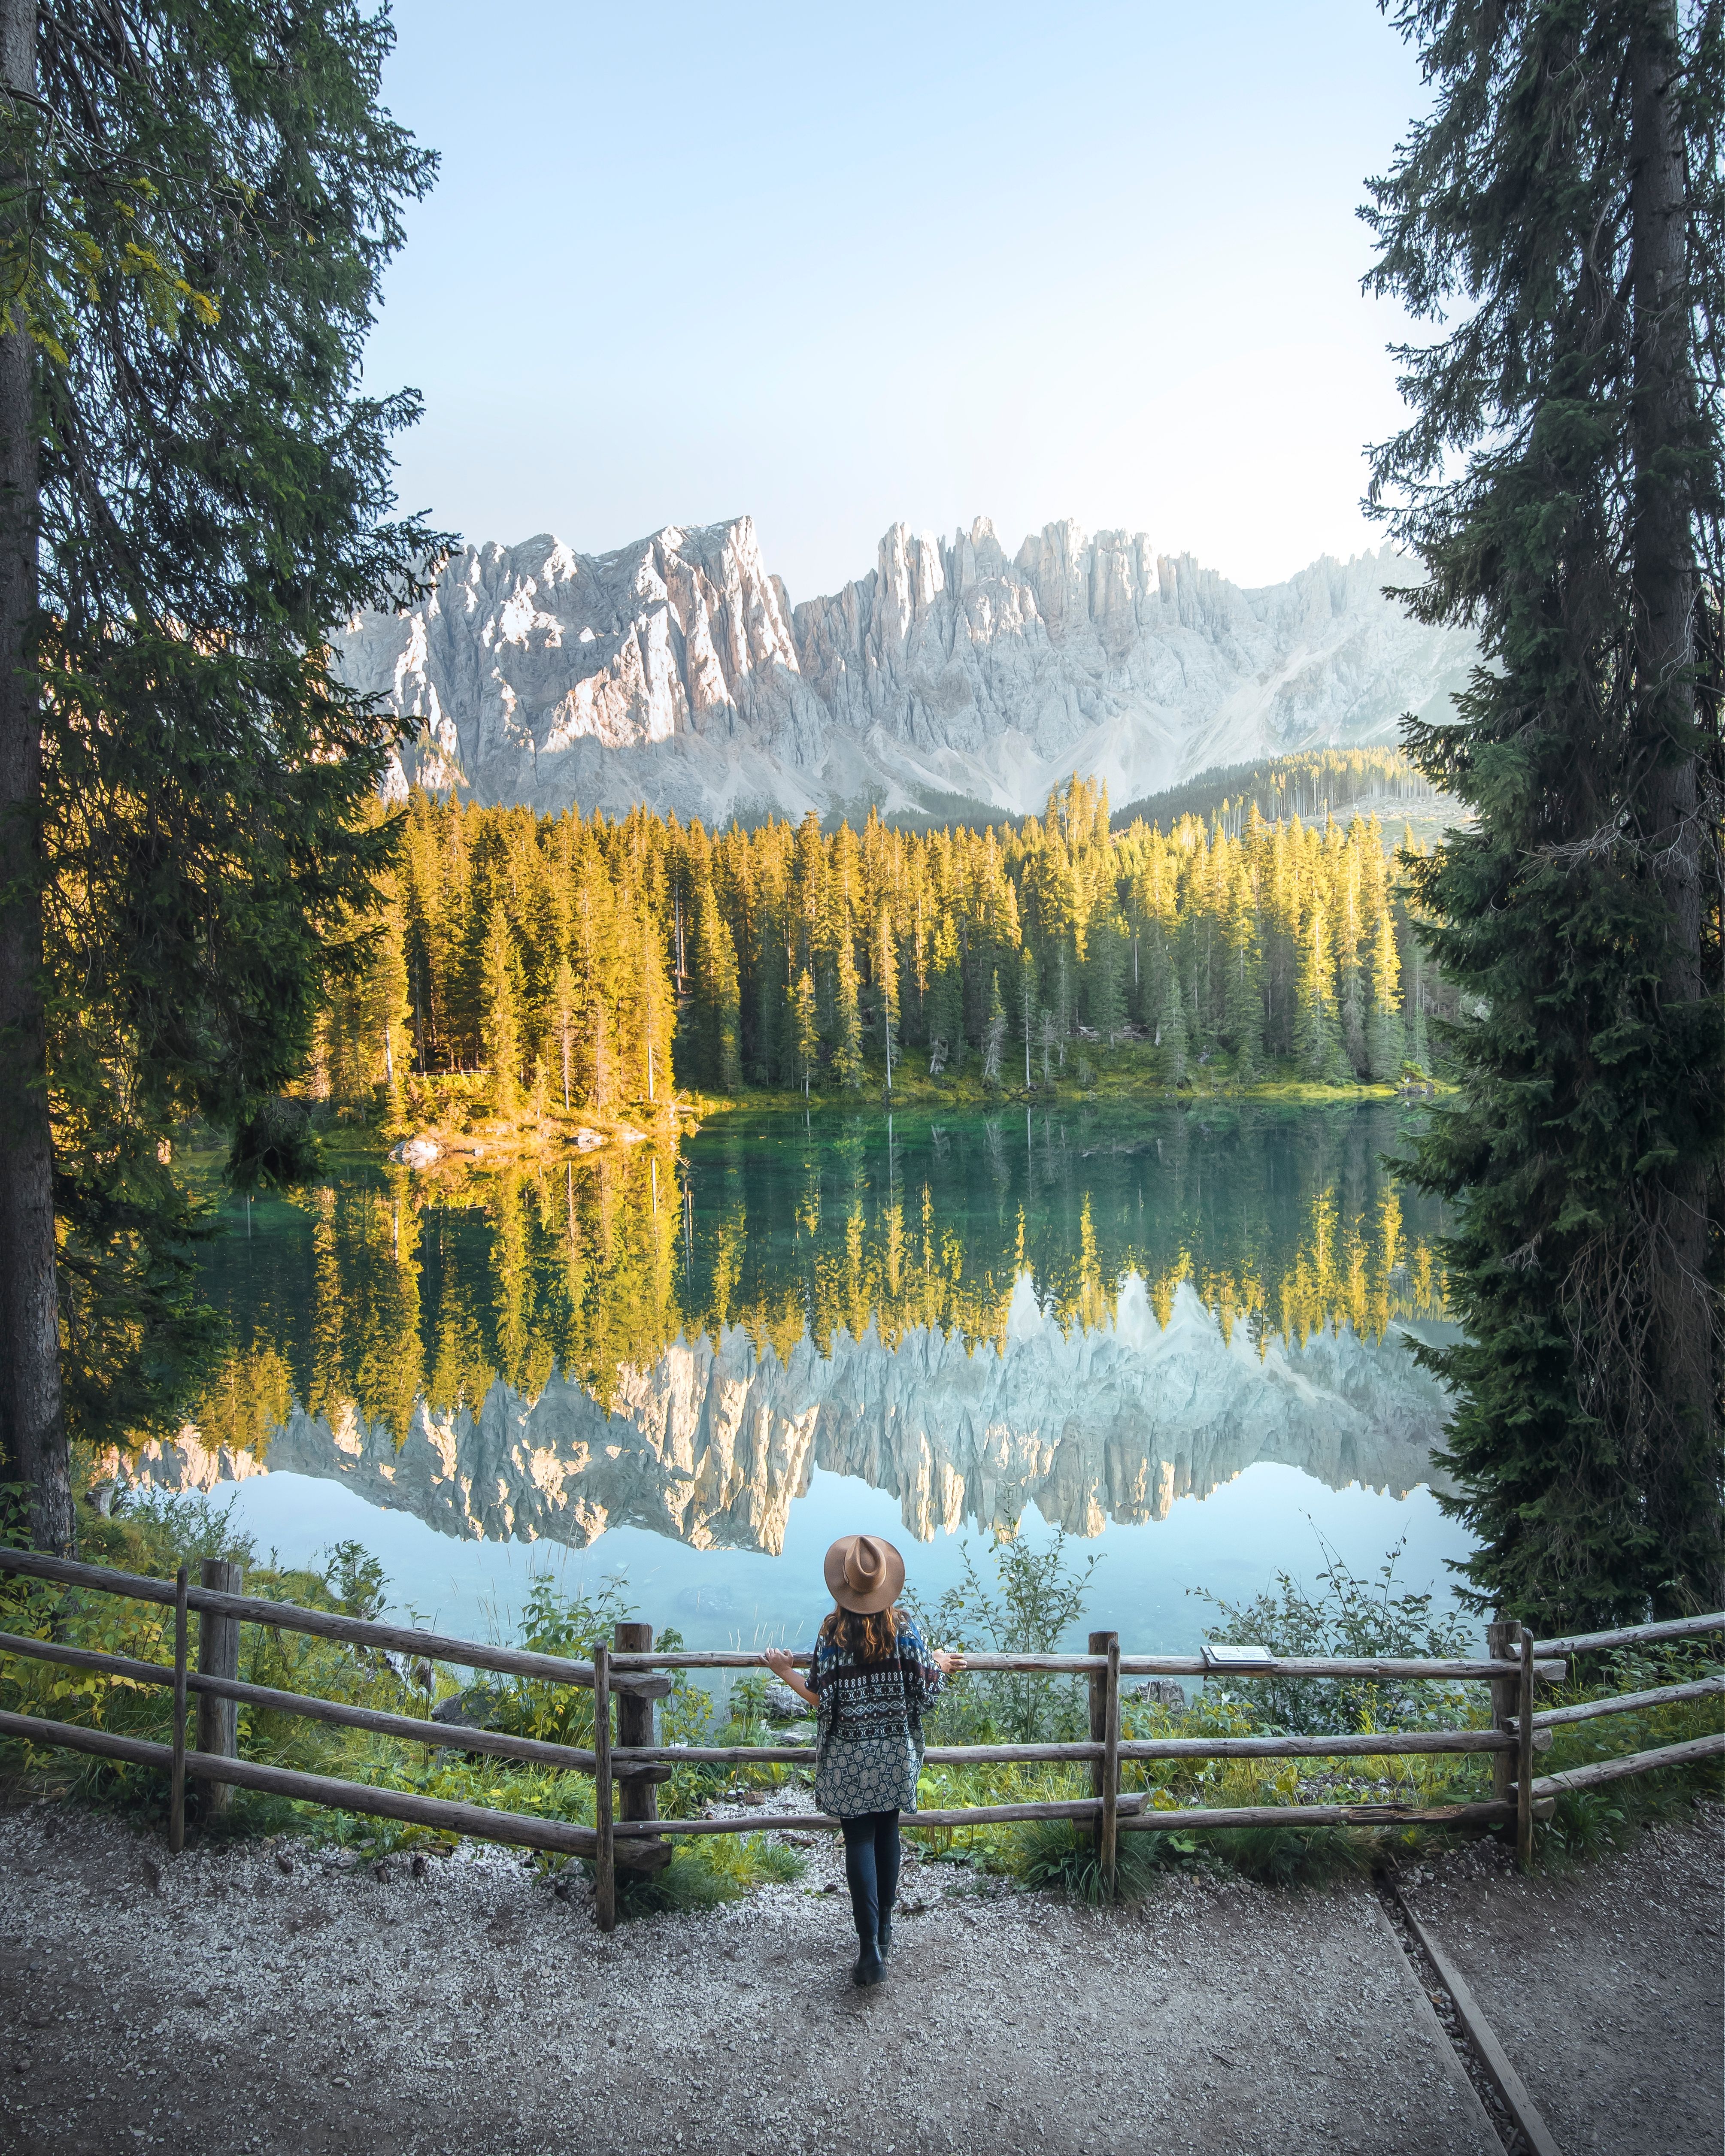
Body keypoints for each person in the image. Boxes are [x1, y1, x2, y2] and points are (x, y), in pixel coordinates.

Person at [764, 1532, 962, 1987]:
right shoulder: (904, 1628)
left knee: (858, 1839)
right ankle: (886, 1930)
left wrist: (784, 1670)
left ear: (845, 1586)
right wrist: (941, 1663)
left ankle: (869, 1947)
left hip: (849, 1756)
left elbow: (819, 1697)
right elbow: (926, 1687)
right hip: (893, 1751)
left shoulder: (832, 1632)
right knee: (887, 1831)